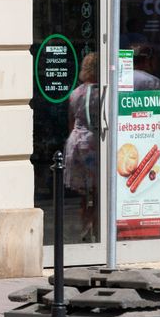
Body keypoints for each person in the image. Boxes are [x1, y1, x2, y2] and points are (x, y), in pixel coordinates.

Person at [64, 52, 99, 241]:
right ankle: (96, 228)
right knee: (99, 191)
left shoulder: (76, 93)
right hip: (93, 143)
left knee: (85, 194)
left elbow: (71, 122)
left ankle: (85, 229)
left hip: (76, 143)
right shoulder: (100, 91)